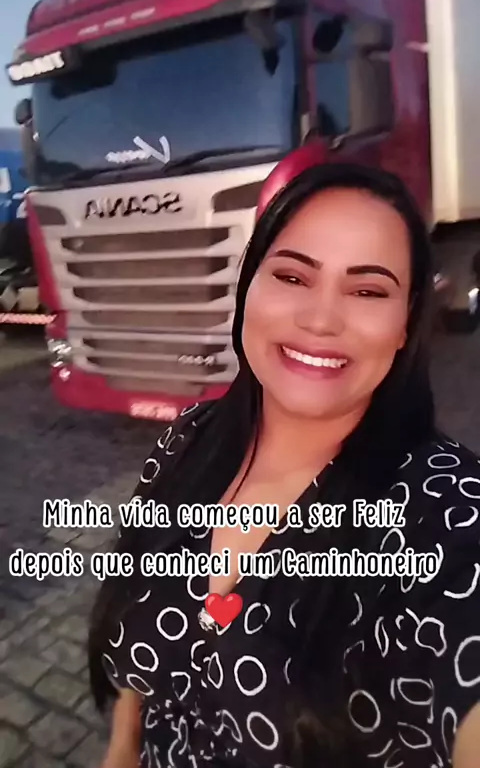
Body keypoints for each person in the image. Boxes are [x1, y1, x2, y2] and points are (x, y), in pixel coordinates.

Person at [88, 161, 480, 768]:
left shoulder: (447, 516)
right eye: (293, 276)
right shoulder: (188, 440)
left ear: (406, 324)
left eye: (368, 290)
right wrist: (121, 749)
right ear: (248, 289)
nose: (320, 319)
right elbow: (135, 642)